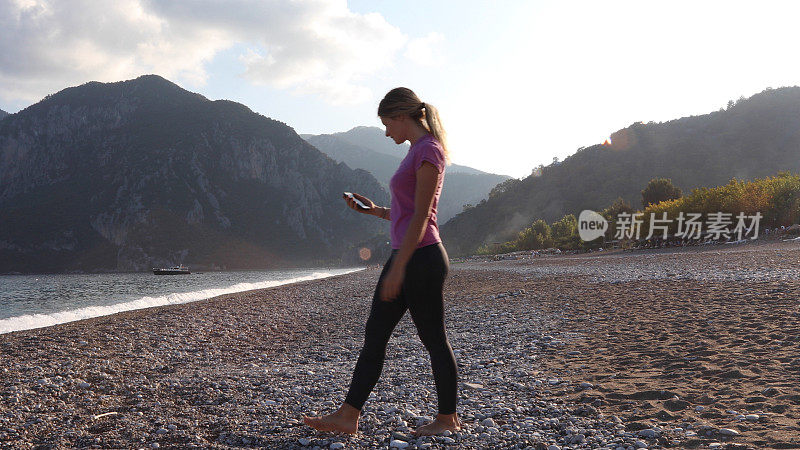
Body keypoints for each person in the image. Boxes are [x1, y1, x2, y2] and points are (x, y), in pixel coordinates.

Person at [303, 87, 460, 437]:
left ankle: (447, 419)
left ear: (402, 117)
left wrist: (399, 268)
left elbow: (422, 217)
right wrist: (373, 210)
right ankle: (348, 416)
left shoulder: (429, 151)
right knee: (376, 336)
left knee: (433, 338)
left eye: (387, 124)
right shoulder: (417, 150)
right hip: (410, 255)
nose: (387, 132)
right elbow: (408, 212)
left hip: (419, 258)